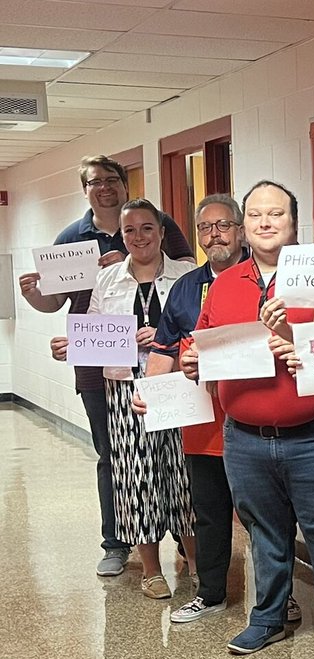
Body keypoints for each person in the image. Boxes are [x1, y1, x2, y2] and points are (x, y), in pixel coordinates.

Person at [181, 180, 314, 657]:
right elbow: (202, 342)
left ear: (294, 223)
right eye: (255, 215)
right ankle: (269, 618)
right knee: (264, 532)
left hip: (313, 433)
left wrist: (301, 342)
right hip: (245, 437)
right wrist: (194, 361)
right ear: (243, 226)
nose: (264, 222)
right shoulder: (223, 284)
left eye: (275, 214)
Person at [21, 155, 192, 577]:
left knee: (178, 460)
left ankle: (188, 544)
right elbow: (55, 302)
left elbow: (192, 284)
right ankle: (116, 542)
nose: (104, 187)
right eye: (95, 182)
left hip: (167, 370)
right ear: (85, 190)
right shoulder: (70, 239)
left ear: (124, 184)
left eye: (111, 179)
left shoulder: (160, 225)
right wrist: (33, 296)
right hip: (102, 371)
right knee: (114, 457)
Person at [137, 194, 296, 625]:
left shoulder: (276, 280)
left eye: (224, 225)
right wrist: (150, 392)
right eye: (206, 228)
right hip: (201, 422)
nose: (215, 234)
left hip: (258, 419)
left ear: (240, 230)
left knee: (266, 516)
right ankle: (210, 593)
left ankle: (281, 598)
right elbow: (166, 347)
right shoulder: (188, 288)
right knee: (208, 512)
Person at [73, 199, 196, 598]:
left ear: (162, 232)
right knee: (135, 477)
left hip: (178, 385)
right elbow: (93, 333)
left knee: (183, 476)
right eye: (130, 231)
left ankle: (195, 563)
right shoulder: (107, 280)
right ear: (121, 236)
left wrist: (164, 336)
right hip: (126, 389)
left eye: (147, 228)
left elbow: (200, 327)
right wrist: (72, 346)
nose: (138, 237)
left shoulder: (187, 275)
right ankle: (150, 569)